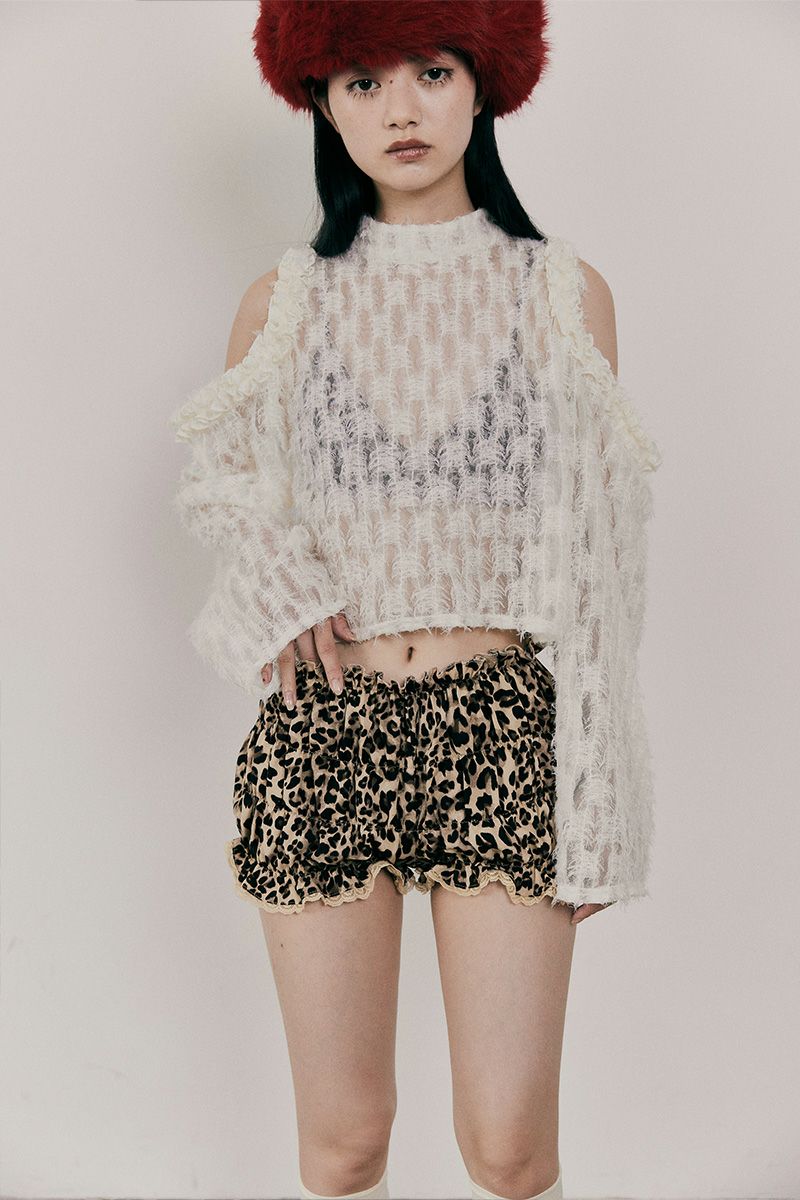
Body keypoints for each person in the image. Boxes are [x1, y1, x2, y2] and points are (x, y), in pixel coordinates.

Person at [168, 3, 663, 1199]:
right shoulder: (284, 303)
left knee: (507, 1148)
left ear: (482, 83)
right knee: (344, 1144)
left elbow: (600, 572)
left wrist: (600, 794)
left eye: (430, 72)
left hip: (502, 728)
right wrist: (279, 583)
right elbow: (218, 488)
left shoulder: (559, 294)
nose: (398, 108)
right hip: (322, 732)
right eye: (360, 81)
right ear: (319, 102)